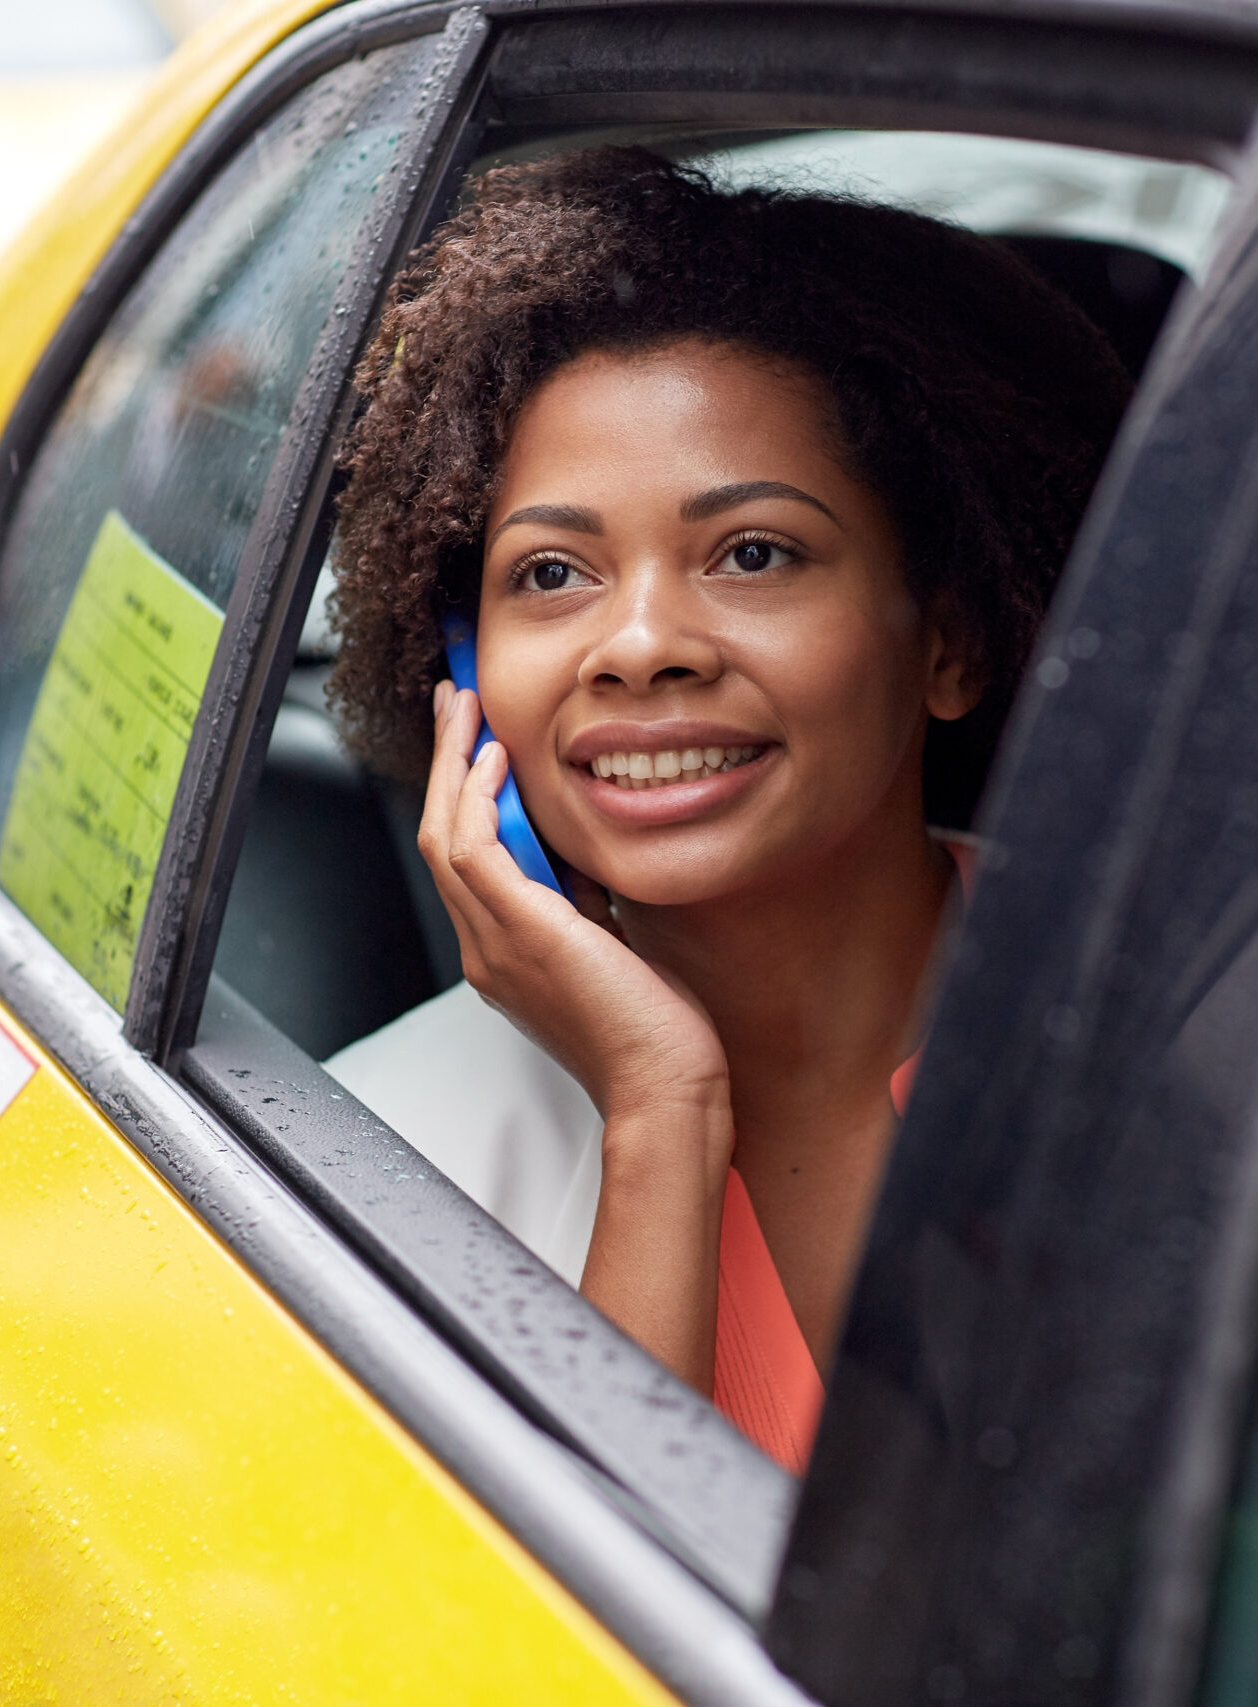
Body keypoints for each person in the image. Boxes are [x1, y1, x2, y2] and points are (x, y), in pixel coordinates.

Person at [322, 147, 1129, 1471]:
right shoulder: (368, 1160)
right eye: (552, 573)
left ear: (952, 640)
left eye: (753, 553)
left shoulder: (1172, 1012)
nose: (639, 645)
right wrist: (659, 1109)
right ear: (463, 678)